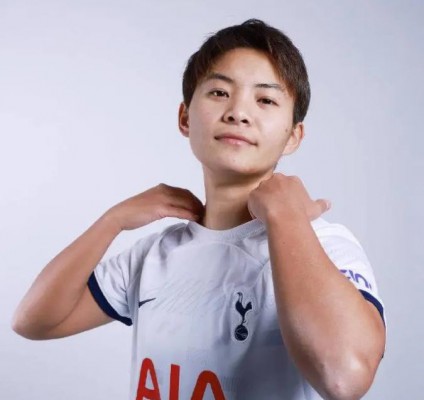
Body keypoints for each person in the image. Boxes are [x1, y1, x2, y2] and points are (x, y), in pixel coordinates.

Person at [12, 19, 386, 400]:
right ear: (185, 118)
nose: (238, 112)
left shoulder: (326, 245)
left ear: (293, 136)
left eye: (266, 100)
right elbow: (33, 320)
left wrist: (285, 216)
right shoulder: (154, 255)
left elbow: (345, 378)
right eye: (220, 92)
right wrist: (113, 220)